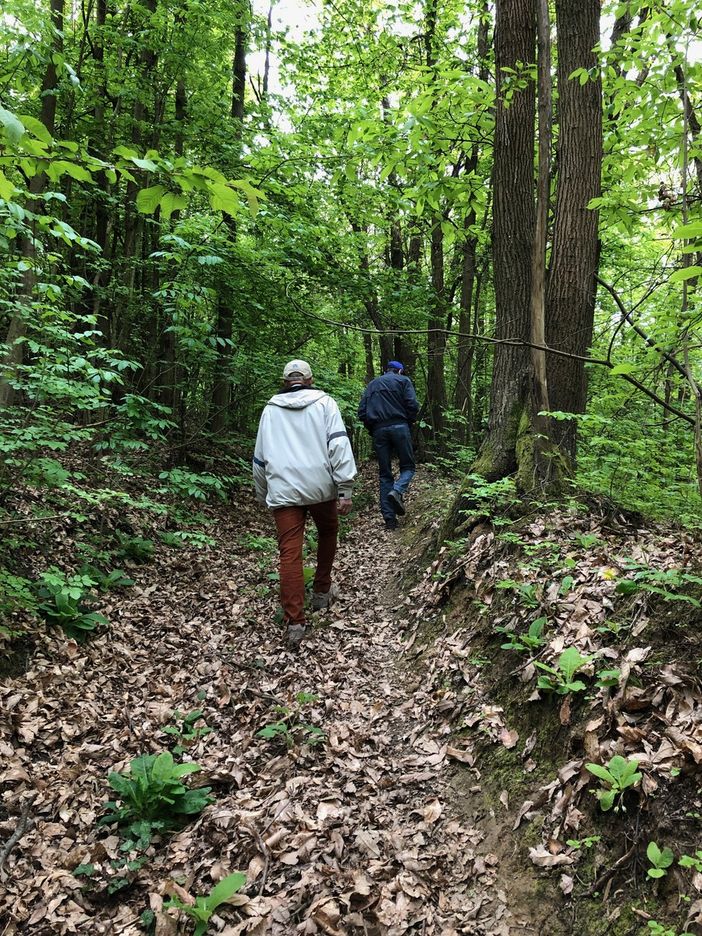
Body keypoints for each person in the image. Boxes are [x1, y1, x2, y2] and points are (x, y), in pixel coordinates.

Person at [253, 359, 356, 649]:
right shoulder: (325, 404)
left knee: (290, 553)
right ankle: (322, 590)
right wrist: (344, 488)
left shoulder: (271, 410)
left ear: (286, 382)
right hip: (320, 486)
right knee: (328, 531)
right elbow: (338, 444)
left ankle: (295, 621)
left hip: (284, 489)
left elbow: (259, 458)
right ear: (309, 380)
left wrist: (264, 494)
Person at [358, 360, 419, 530]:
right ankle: (398, 490)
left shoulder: (372, 385)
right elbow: (412, 405)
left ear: (386, 370)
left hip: (379, 430)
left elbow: (362, 412)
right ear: (400, 371)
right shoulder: (403, 381)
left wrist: (373, 428)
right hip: (400, 426)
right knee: (408, 467)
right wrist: (409, 421)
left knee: (385, 475)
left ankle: (390, 521)